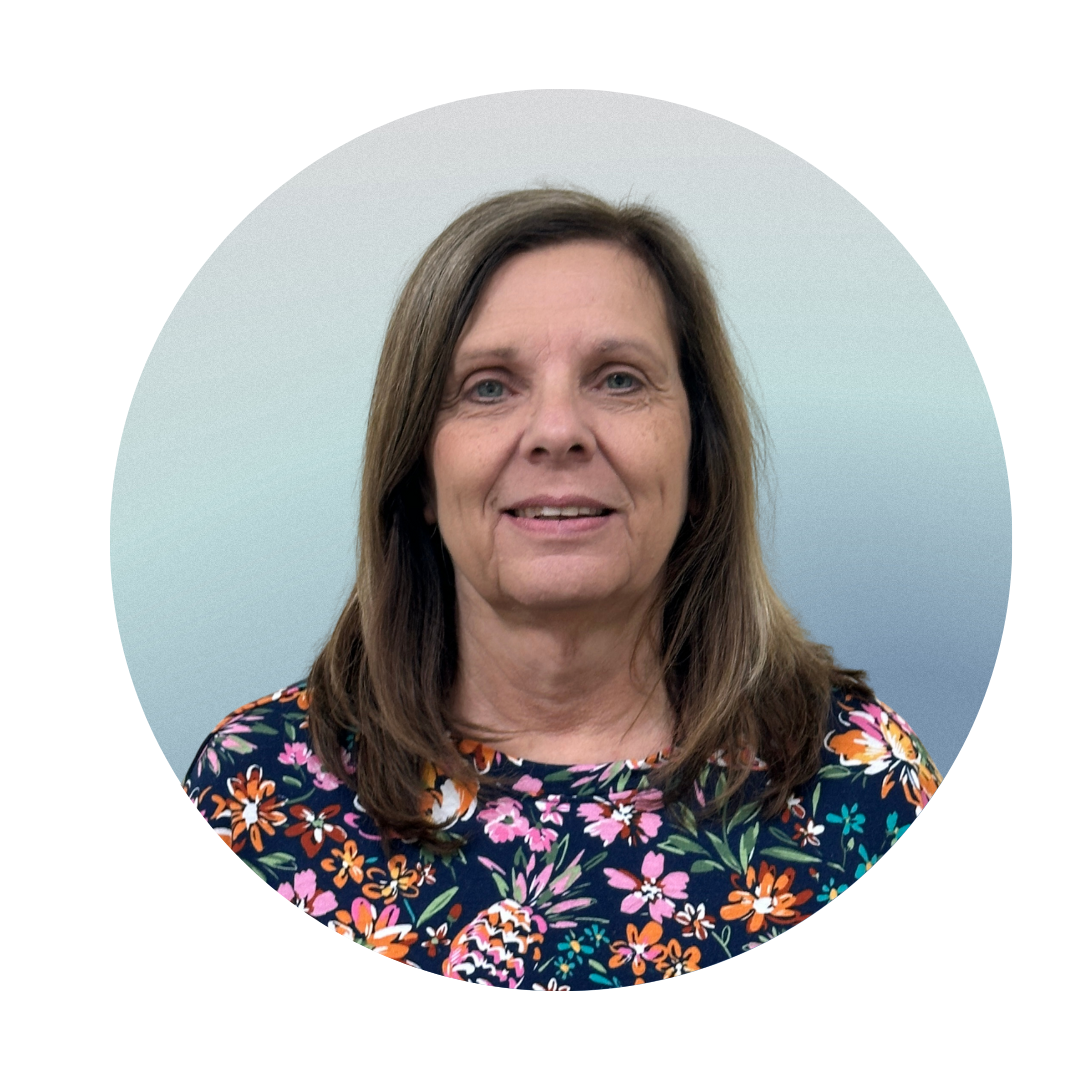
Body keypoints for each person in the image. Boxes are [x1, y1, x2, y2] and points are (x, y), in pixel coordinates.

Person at [183, 188, 941, 989]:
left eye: (618, 380)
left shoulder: (862, 787)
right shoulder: (256, 795)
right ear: (419, 479)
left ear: (701, 460)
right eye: (488, 386)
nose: (556, 431)